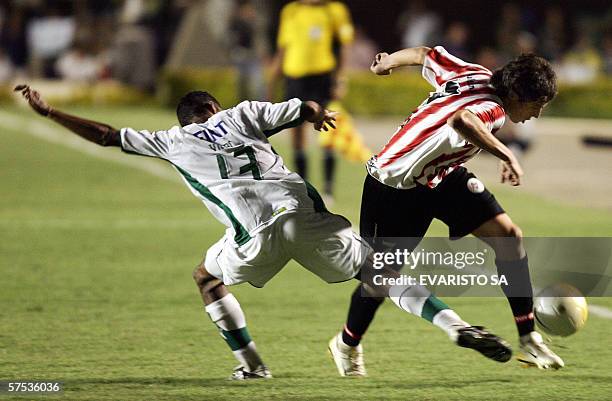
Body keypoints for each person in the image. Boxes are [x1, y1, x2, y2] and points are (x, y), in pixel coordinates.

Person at [16, 83, 513, 379]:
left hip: (253, 236)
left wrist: (51, 111)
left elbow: (106, 136)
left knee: (206, 278)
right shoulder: (243, 114)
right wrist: (317, 114)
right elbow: (300, 108)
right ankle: (455, 326)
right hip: (304, 216)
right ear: (214, 108)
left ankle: (252, 365)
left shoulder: (168, 140)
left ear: (186, 118)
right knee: (378, 270)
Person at [328, 46, 564, 375]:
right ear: (517, 94)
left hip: (441, 176)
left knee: (508, 236)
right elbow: (462, 120)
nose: (536, 115)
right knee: (379, 280)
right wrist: (507, 155)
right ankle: (346, 344)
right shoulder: (493, 109)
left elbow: (426, 54)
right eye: (536, 106)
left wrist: (389, 62)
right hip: (394, 187)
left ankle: (528, 339)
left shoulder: (475, 74)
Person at [269, 0, 354, 199]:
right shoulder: (290, 11)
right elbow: (283, 49)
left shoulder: (334, 10)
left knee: (327, 128)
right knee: (297, 133)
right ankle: (303, 185)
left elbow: (343, 48)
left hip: (322, 78)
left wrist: (341, 79)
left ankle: (328, 188)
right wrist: (272, 81)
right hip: (295, 79)